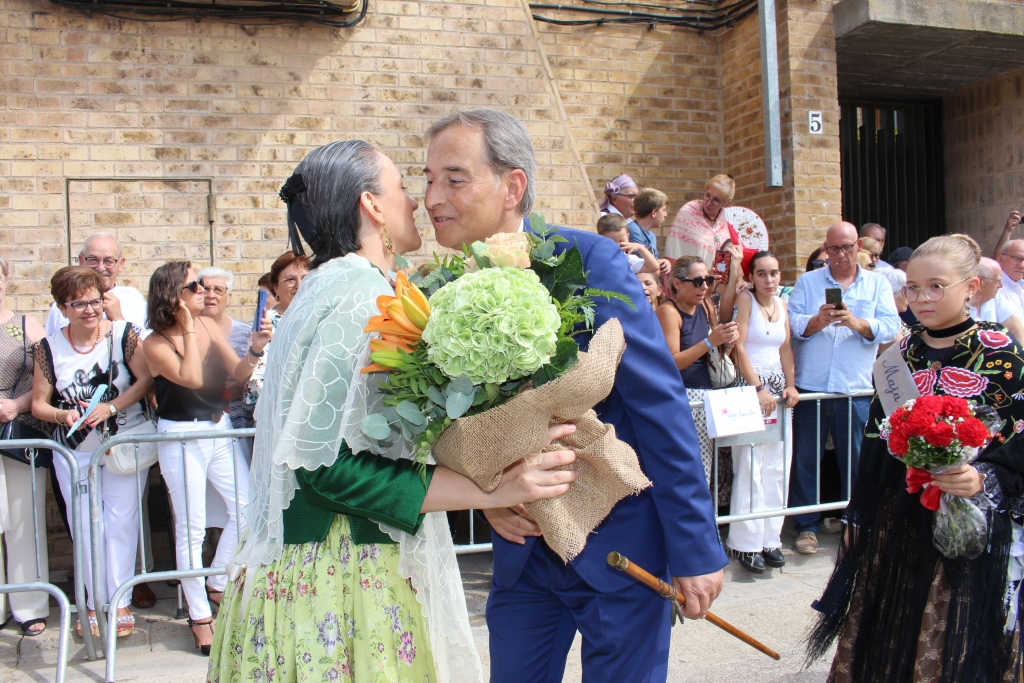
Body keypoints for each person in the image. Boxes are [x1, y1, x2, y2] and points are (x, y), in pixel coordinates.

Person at [207, 140, 578, 681]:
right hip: (341, 581)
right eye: (403, 186)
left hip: (310, 570)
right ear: (372, 206)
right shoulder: (358, 294)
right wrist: (491, 490)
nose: (417, 201)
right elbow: (322, 470)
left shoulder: (328, 289)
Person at [424, 108, 728, 682]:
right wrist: (490, 492)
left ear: (512, 185)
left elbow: (656, 402)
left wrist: (695, 546)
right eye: (428, 178)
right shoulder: (444, 288)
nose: (432, 195)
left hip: (620, 544)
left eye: (453, 178)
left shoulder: (588, 260)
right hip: (522, 553)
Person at [808, 234, 1024, 681]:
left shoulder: (1001, 353)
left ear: (971, 287)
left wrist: (984, 477)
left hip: (970, 524)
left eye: (936, 286)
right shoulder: (900, 354)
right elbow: (876, 437)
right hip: (901, 516)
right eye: (912, 288)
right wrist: (860, 514)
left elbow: (1018, 433)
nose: (922, 298)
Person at [142, 262, 270, 654]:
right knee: (191, 528)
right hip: (180, 435)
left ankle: (216, 582)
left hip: (217, 428)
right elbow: (193, 378)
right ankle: (199, 615)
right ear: (173, 295)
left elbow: (239, 373)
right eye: (194, 285)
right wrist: (188, 325)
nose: (203, 291)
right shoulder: (154, 342)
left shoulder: (210, 327)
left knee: (248, 507)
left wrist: (254, 351)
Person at [31, 266, 154, 638]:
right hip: (75, 449)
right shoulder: (48, 347)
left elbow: (146, 378)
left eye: (95, 300)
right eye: (79, 303)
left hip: (121, 442)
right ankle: (91, 601)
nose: (90, 309)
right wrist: (61, 413)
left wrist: (113, 406)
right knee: (85, 523)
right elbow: (38, 404)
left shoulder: (123, 334)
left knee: (121, 522)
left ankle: (118, 601)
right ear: (62, 307)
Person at [786, 221, 900, 555]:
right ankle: (807, 526)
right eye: (834, 249)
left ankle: (857, 522)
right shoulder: (808, 282)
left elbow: (892, 327)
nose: (840, 255)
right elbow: (791, 323)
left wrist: (857, 322)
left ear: (859, 247)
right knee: (807, 458)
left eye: (847, 248)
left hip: (855, 386)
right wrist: (817, 321)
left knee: (856, 459)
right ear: (825, 248)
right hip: (813, 384)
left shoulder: (877, 284)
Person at [727, 251, 798, 574]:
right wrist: (758, 388)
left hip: (779, 394)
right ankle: (745, 541)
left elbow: (785, 348)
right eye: (762, 274)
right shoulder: (746, 301)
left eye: (774, 273)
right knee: (751, 464)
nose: (769, 280)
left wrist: (791, 385)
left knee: (778, 465)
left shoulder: (781, 304)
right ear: (752, 277)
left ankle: (771, 537)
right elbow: (737, 346)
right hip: (750, 390)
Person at [0, 256, 50, 636]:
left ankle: (29, 604)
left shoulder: (24, 325)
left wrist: (15, 405)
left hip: (16, 433)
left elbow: (46, 376)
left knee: (22, 519)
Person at [656, 256, 739, 483]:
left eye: (708, 280)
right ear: (677, 283)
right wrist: (710, 342)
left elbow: (713, 355)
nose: (704, 286)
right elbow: (672, 362)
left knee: (704, 469)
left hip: (705, 394)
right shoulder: (668, 311)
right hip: (681, 396)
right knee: (684, 468)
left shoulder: (705, 306)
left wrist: (727, 343)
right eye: (698, 281)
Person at [197, 267, 255, 459]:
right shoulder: (184, 333)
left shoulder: (245, 333)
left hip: (239, 423)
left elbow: (259, 374)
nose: (210, 295)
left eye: (218, 290)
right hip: (199, 425)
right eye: (205, 288)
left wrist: (242, 385)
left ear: (229, 297)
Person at [45, 233, 148, 337]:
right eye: (93, 260)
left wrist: (119, 320)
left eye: (109, 261)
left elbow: (146, 350)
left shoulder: (136, 303)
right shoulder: (63, 305)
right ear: (81, 261)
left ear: (120, 264)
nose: (100, 268)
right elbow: (51, 346)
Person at [243, 252, 309, 410]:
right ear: (276, 288)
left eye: (306, 278)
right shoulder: (266, 322)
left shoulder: (322, 317)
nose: (299, 285)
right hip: (276, 411)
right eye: (290, 280)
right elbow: (257, 378)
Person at [664, 174, 736, 264]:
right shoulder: (688, 212)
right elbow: (674, 248)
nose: (709, 202)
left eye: (716, 200)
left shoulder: (729, 221)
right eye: (707, 195)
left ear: (725, 203)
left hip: (717, 275)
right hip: (688, 275)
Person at [628, 187, 673, 275]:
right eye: (663, 210)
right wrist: (657, 267)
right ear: (654, 212)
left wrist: (665, 263)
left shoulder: (652, 236)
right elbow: (647, 267)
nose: (666, 214)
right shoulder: (632, 230)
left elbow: (654, 263)